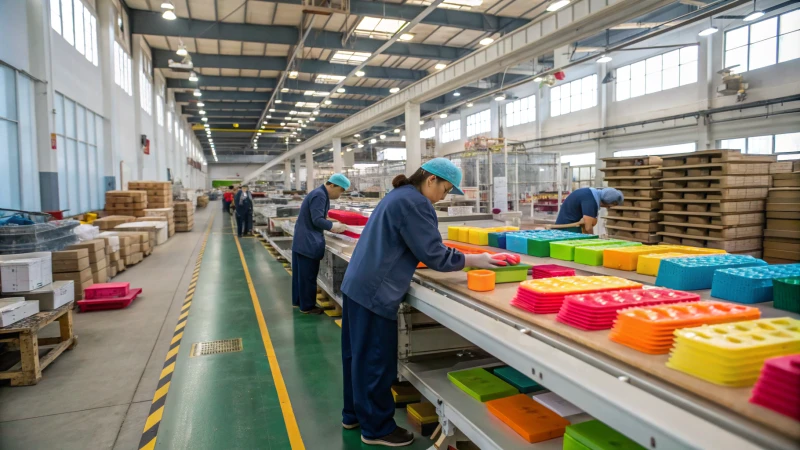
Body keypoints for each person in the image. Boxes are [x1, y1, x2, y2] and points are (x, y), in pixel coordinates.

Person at [339, 158, 516, 447]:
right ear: (431, 179)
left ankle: (354, 415)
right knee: (374, 362)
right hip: (374, 291)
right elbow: (434, 255)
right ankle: (376, 429)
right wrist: (475, 259)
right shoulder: (415, 203)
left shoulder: (399, 195)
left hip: (358, 284)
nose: (444, 197)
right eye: (446, 190)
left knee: (356, 357)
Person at [291, 174, 351, 314]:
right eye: (341, 190)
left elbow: (318, 216)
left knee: (300, 276)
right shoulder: (320, 195)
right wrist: (333, 226)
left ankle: (298, 301)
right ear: (332, 185)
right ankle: (307, 306)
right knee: (308, 276)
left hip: (301, 240)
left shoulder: (319, 193)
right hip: (308, 242)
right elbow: (317, 220)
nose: (340, 194)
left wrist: (330, 220)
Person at [556, 187, 624, 234]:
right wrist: (593, 239)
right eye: (609, 206)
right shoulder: (591, 201)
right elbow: (588, 227)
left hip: (568, 226)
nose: (608, 208)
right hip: (567, 229)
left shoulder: (590, 193)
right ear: (607, 201)